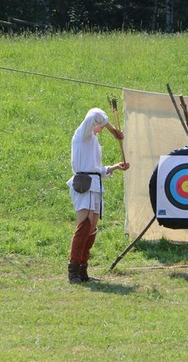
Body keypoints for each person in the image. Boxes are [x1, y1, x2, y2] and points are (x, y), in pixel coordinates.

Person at [67, 108, 129, 284]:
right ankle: (73, 271)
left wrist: (115, 167)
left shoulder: (92, 140)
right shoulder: (82, 133)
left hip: (94, 184)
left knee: (92, 228)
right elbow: (95, 114)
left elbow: (96, 170)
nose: (101, 126)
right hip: (84, 183)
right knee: (84, 225)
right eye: (100, 125)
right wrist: (112, 129)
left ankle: (82, 269)